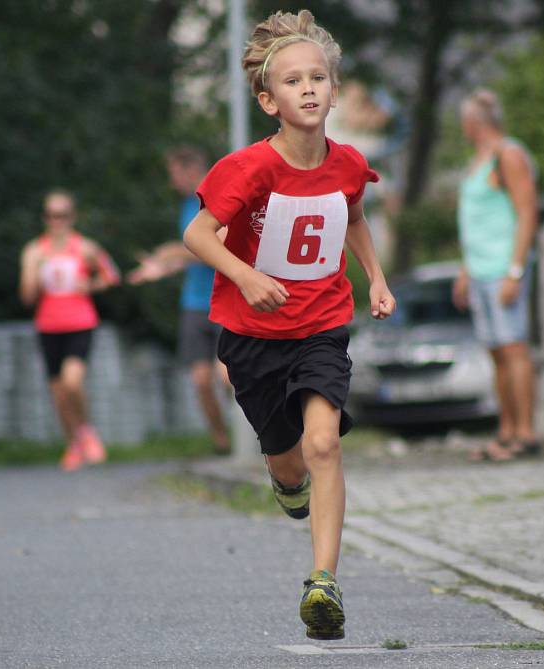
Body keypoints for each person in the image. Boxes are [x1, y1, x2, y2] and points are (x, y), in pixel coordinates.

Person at [183, 10, 395, 640]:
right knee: (289, 464)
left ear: (333, 90)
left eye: (319, 78)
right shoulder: (248, 169)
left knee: (324, 442)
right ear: (267, 99)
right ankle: (285, 481)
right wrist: (245, 276)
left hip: (323, 325)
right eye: (293, 80)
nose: (308, 88)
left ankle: (323, 581)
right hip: (251, 336)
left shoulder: (349, 163)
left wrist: (376, 279)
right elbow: (196, 233)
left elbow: (352, 216)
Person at [453, 89, 541, 462]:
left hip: (504, 269)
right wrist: (465, 269)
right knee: (496, 353)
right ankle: (506, 432)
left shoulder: (509, 154)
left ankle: (526, 433)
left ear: (474, 123)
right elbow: (476, 223)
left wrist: (515, 270)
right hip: (480, 270)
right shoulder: (477, 162)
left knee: (514, 348)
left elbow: (527, 212)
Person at [127, 146, 230, 454]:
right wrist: (162, 267)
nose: (172, 181)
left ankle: (264, 434)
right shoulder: (187, 205)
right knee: (200, 379)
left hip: (224, 300)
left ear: (190, 170)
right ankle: (221, 441)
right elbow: (192, 256)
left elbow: (216, 250)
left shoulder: (219, 201)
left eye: (174, 173)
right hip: (194, 303)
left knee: (227, 377)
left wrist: (171, 252)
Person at [19, 189, 120, 471]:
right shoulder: (34, 251)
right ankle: (73, 443)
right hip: (49, 325)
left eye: (62, 215)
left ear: (72, 217)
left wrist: (91, 286)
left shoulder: (85, 247)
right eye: (51, 216)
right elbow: (26, 298)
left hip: (80, 322)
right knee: (58, 392)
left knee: (72, 381)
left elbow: (111, 275)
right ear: (45, 219)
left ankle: (86, 431)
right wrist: (34, 275)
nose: (57, 221)